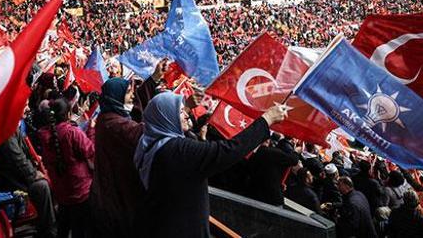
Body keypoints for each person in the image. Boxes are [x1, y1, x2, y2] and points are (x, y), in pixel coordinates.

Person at [133, 92, 287, 238]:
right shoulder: (176, 150)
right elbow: (227, 151)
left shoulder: (152, 143)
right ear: (166, 117)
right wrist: (266, 120)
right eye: (180, 111)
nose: (186, 114)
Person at [89, 78, 143, 238]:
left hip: (112, 196)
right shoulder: (113, 123)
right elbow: (143, 133)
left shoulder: (108, 117)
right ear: (116, 96)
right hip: (115, 200)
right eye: (128, 92)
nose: (132, 95)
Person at [37, 98, 95, 238]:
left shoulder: (44, 135)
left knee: (63, 225)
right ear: (68, 115)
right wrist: (91, 130)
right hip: (80, 189)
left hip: (61, 189)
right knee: (79, 229)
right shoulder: (73, 133)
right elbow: (90, 151)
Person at [0, 124, 56, 238]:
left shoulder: (13, 127)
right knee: (42, 186)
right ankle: (49, 231)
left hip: (19, 176)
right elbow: (18, 160)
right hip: (13, 182)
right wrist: (34, 174)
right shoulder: (6, 133)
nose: (27, 109)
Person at [247, 134, 301, 207]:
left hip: (255, 192)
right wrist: (296, 152)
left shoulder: (254, 152)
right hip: (270, 197)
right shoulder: (269, 152)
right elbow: (293, 160)